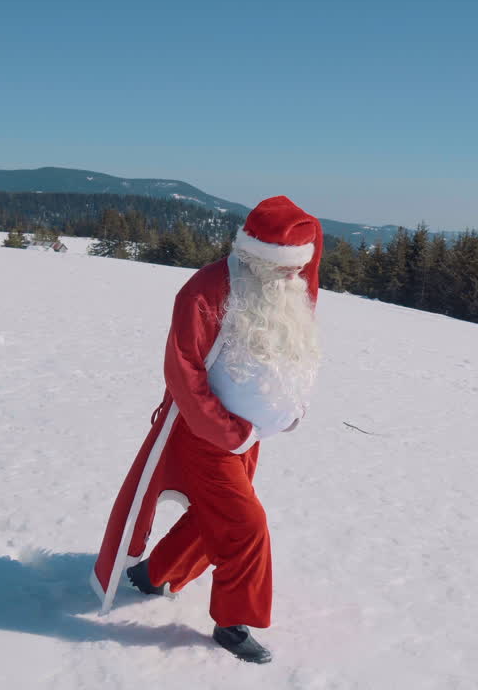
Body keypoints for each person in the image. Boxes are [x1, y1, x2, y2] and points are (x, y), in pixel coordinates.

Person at [91, 196, 323, 664]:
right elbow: (182, 371)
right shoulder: (206, 289)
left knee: (213, 515)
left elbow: (289, 352)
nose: (290, 278)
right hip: (206, 434)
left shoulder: (291, 285)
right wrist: (226, 431)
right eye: (281, 268)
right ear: (256, 256)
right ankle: (233, 623)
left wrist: (287, 407)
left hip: (248, 433)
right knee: (246, 525)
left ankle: (156, 573)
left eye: (295, 269)